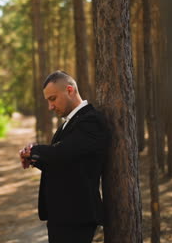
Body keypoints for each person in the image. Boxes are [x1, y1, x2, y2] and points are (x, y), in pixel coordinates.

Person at [19, 71, 109, 243]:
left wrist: (35, 150)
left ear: (69, 90)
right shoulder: (71, 122)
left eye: (53, 99)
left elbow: (63, 152)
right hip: (63, 214)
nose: (50, 107)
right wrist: (32, 158)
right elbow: (65, 161)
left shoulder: (91, 121)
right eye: (48, 101)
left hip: (77, 215)